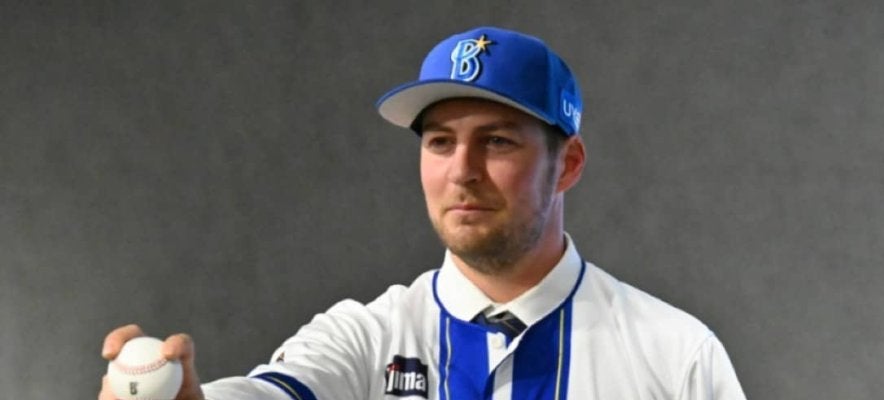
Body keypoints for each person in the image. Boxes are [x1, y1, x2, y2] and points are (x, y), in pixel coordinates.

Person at [100, 26, 747, 400]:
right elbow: (277, 390)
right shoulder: (364, 338)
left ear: (569, 164)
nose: (462, 170)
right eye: (440, 142)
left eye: (497, 141)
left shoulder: (675, 356)